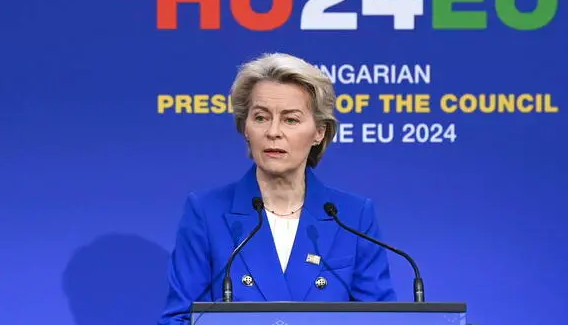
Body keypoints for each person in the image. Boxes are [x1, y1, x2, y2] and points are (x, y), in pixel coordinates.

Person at [158, 53, 396, 324]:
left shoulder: (352, 216)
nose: (273, 132)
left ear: (319, 131)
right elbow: (178, 319)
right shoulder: (207, 212)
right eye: (260, 118)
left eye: (290, 120)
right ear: (245, 127)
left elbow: (382, 319)